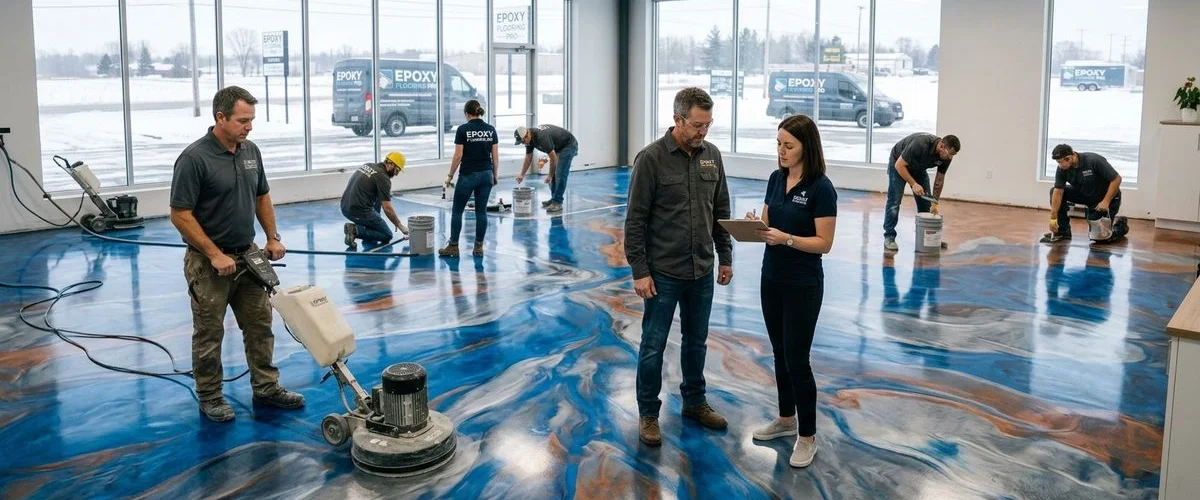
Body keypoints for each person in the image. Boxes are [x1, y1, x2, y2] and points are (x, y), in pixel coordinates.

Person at [169, 86, 305, 422]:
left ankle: (266, 387)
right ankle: (211, 396)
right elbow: (180, 214)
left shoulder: (250, 152)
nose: (249, 127)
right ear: (220, 117)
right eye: (243, 120)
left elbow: (262, 196)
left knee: (260, 325)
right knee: (209, 332)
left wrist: (272, 237)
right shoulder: (194, 159)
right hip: (209, 263)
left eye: (251, 120)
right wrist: (214, 254)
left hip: (248, 257)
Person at [624, 87, 733, 446]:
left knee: (696, 341)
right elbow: (635, 220)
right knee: (653, 345)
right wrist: (639, 271)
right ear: (677, 119)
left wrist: (725, 256)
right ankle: (649, 414)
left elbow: (721, 212)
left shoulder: (712, 156)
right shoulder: (651, 159)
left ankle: (694, 402)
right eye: (697, 125)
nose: (703, 132)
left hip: (701, 270)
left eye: (708, 124)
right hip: (662, 273)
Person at [743, 114, 837, 468]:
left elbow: (824, 243)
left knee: (798, 360)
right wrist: (757, 226)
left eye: (788, 145)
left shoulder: (821, 188)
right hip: (772, 278)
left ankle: (807, 436)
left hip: (803, 284)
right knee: (779, 353)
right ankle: (785, 420)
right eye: (778, 144)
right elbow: (770, 224)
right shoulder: (775, 178)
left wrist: (787, 239)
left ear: (805, 147)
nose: (781, 151)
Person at [439, 99, 499, 258]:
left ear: (467, 113)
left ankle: (453, 247)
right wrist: (495, 175)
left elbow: (458, 155)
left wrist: (450, 175)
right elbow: (495, 156)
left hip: (468, 175)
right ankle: (478, 247)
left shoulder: (463, 129)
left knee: (457, 211)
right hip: (486, 174)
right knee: (481, 212)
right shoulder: (491, 130)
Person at [882, 132, 960, 251]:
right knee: (894, 201)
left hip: (918, 167)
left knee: (926, 204)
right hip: (898, 163)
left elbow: (939, 179)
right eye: (949, 154)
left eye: (953, 155)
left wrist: (935, 202)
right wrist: (914, 184)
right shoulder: (920, 143)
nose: (950, 158)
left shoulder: (946, 157)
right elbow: (899, 165)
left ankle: (929, 239)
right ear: (942, 146)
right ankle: (889, 237)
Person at [1041, 144, 1129, 243]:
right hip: (1085, 194)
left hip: (1105, 198)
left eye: (1064, 161)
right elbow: (1058, 192)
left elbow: (1117, 179)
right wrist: (1053, 217)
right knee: (1053, 191)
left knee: (1101, 237)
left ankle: (1121, 226)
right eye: (1058, 162)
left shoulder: (1093, 160)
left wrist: (1106, 201)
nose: (1061, 165)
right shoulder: (1062, 168)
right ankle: (1062, 231)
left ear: (1072, 156)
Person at [341, 151, 408, 250]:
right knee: (387, 235)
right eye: (397, 170)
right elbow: (387, 208)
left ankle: (372, 226)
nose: (396, 174)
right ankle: (355, 230)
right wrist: (399, 225)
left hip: (344, 206)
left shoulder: (368, 165)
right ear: (391, 165)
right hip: (357, 211)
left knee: (378, 196)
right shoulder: (383, 178)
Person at [514, 124, 579, 213]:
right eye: (521, 142)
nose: (524, 143)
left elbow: (553, 157)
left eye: (523, 140)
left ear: (527, 133)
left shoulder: (541, 137)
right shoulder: (528, 140)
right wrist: (522, 174)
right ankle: (554, 199)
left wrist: (550, 175)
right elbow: (528, 157)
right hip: (558, 147)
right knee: (554, 175)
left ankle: (557, 202)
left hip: (569, 145)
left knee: (560, 174)